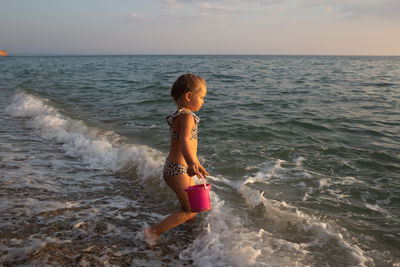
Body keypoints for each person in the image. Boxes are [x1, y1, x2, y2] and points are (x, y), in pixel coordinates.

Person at [144, 73, 209, 246]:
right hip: (178, 170)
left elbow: (185, 143)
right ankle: (153, 231)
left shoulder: (178, 115)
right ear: (189, 96)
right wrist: (191, 163)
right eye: (202, 97)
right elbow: (184, 141)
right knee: (192, 209)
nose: (203, 101)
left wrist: (196, 163)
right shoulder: (187, 117)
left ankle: (189, 230)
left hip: (173, 167)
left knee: (188, 205)